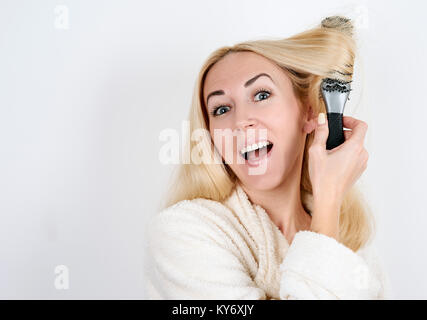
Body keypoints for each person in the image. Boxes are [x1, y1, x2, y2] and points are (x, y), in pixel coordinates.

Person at [144, 16, 392, 299]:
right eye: (221, 109)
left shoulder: (355, 247)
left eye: (261, 95)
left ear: (309, 112)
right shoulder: (182, 233)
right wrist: (329, 198)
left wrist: (327, 208)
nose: (241, 121)